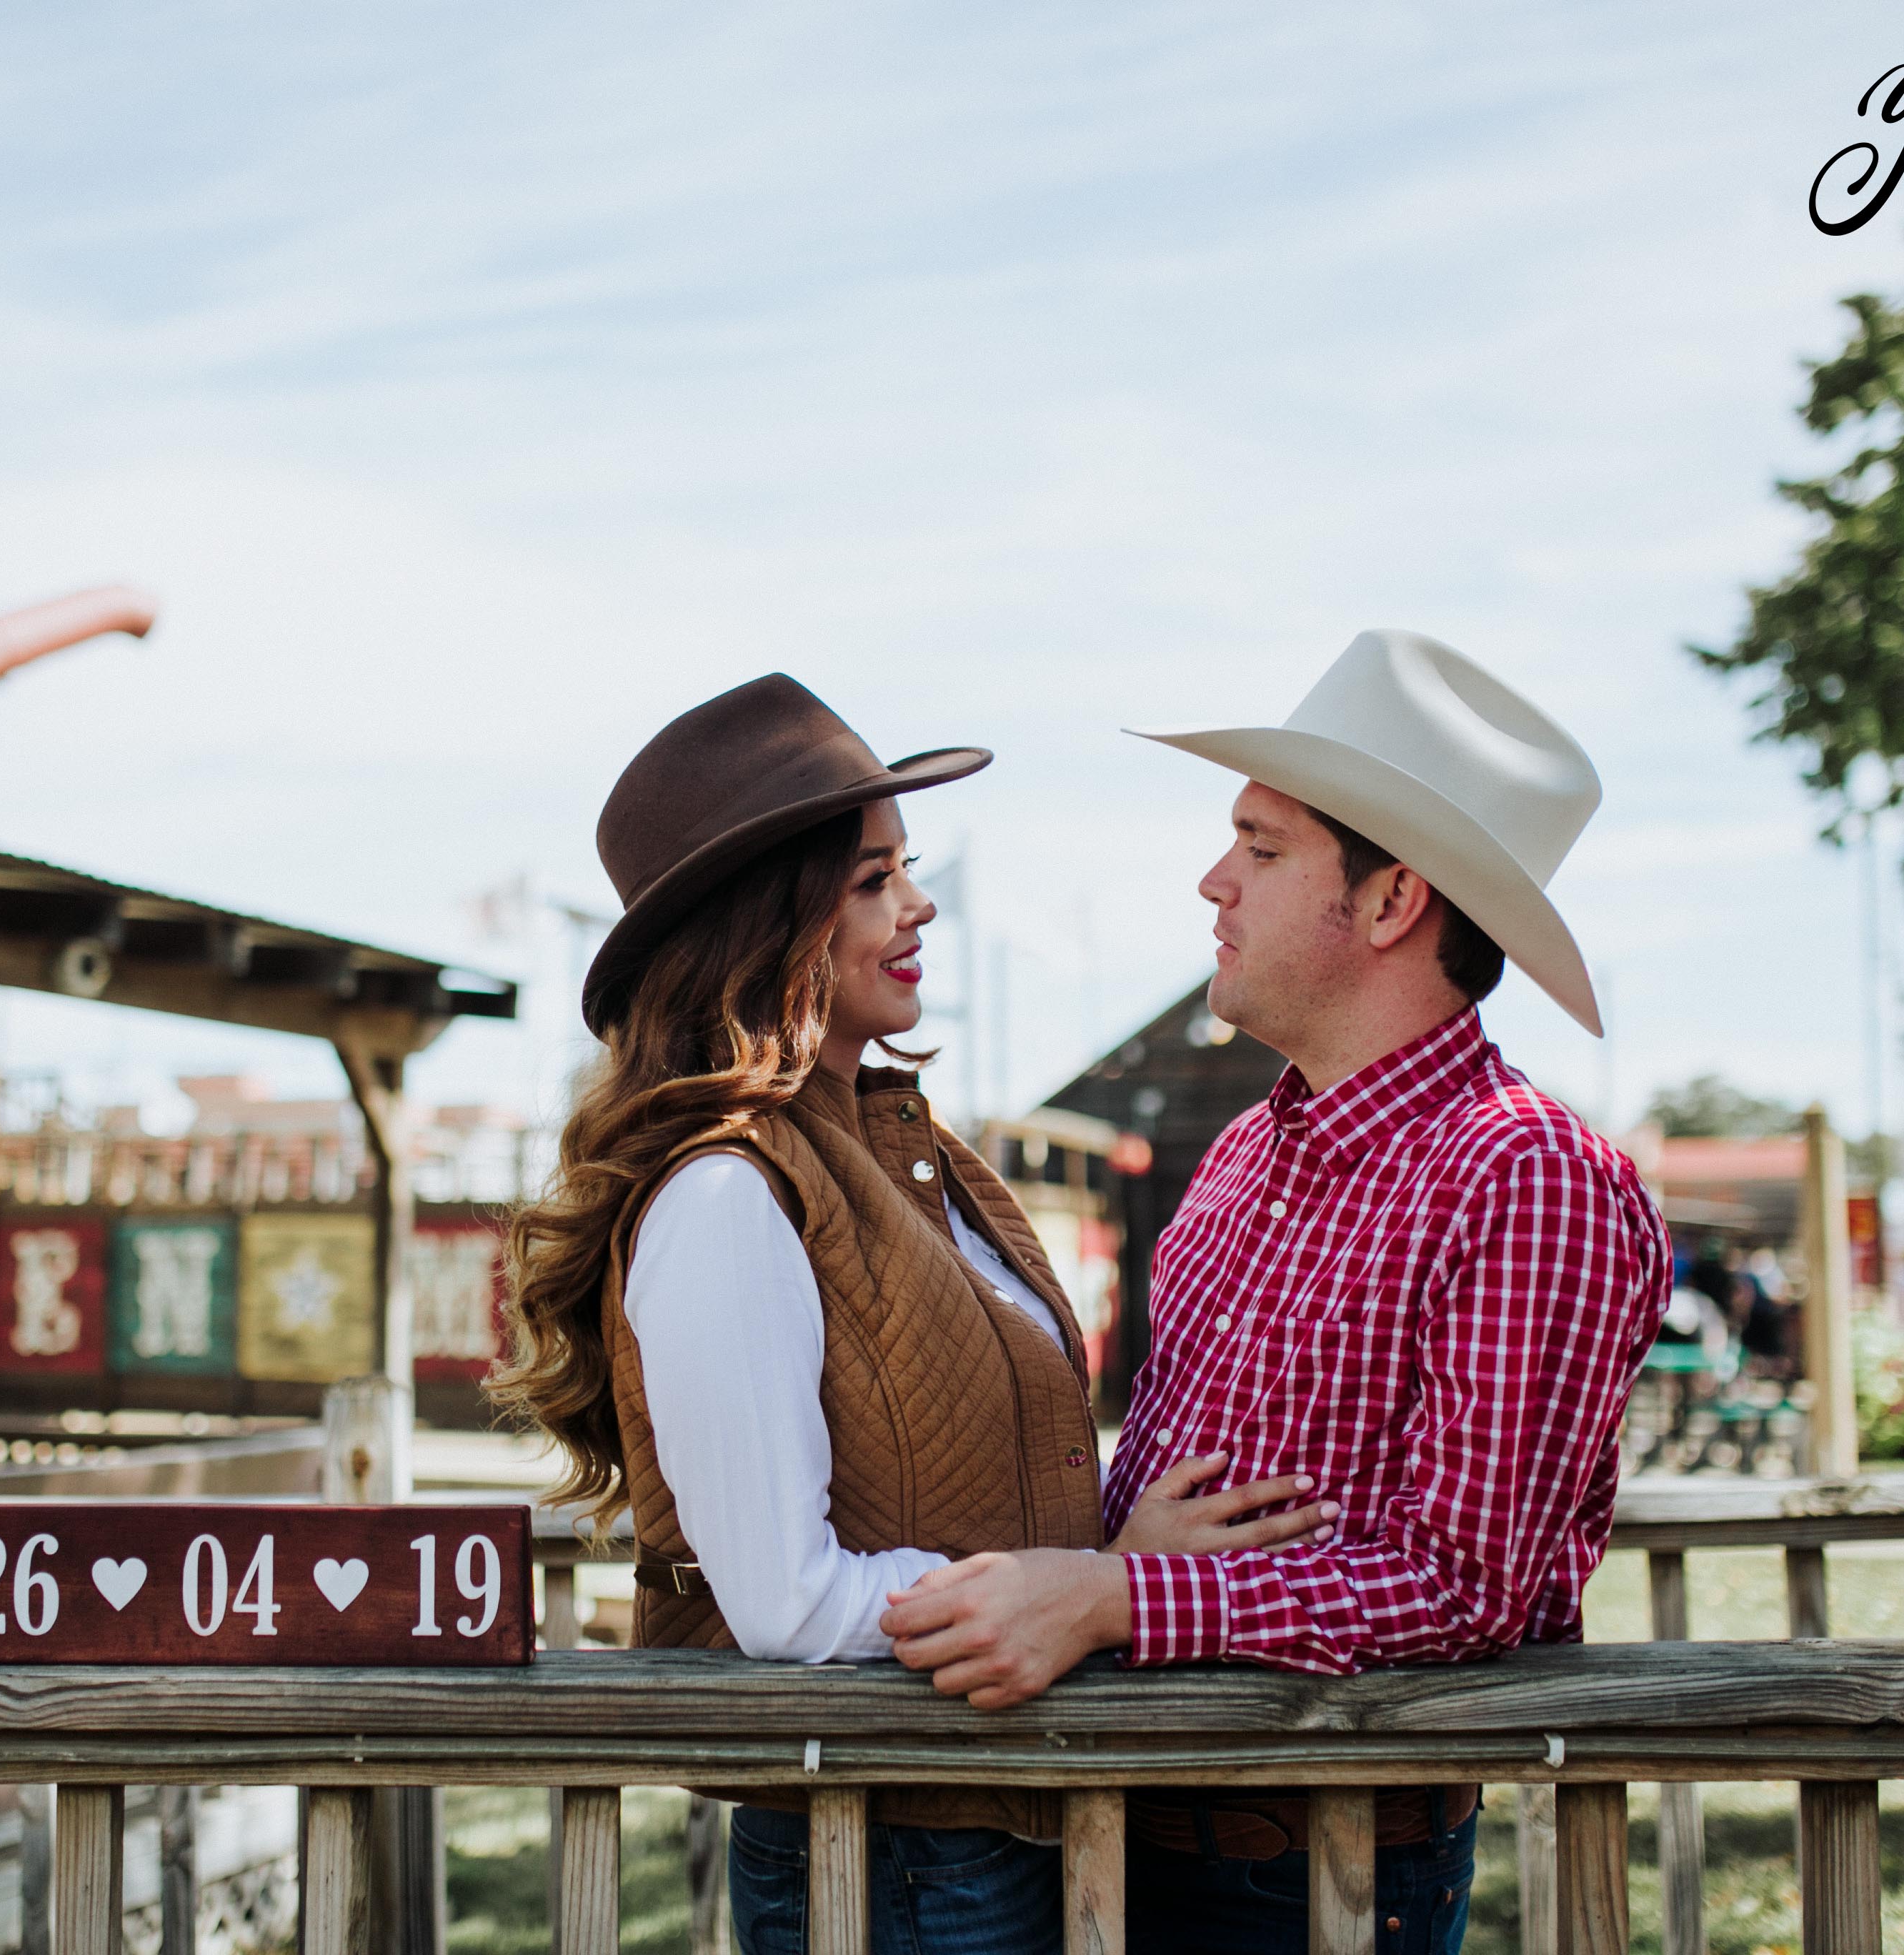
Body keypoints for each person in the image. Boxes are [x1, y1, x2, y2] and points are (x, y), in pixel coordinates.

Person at [493, 674, 1328, 1955]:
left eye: (908, 870)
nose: (919, 904)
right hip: (884, 1855)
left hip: (997, 1816)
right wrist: (1103, 1583)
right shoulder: (725, 1190)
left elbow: (960, 1481)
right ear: (769, 925)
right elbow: (785, 1601)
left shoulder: (911, 1156)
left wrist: (1116, 1548)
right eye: (875, 880)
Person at [875, 630, 1670, 1954]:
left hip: (1319, 1872)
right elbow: (1172, 1470)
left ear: (1390, 901)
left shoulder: (1529, 1175)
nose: (1213, 882)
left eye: (1262, 846)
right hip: (1126, 1824)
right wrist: (1113, 1561)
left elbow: (1466, 1588)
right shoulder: (1252, 1147)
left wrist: (1115, 1599)